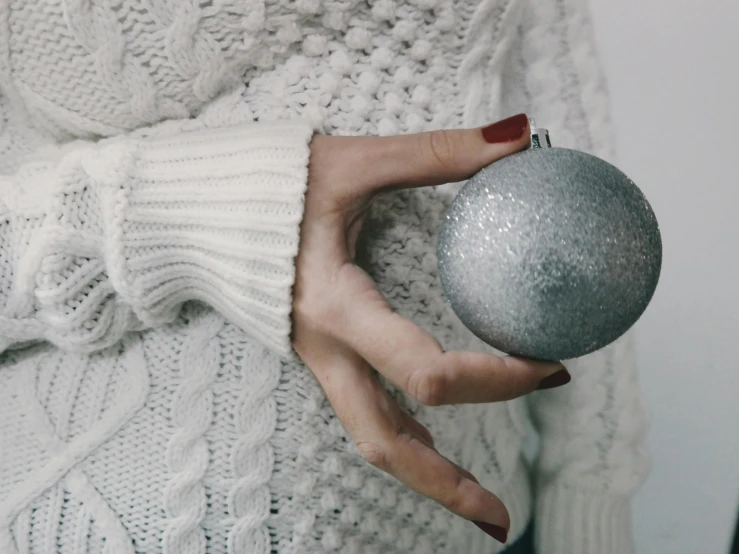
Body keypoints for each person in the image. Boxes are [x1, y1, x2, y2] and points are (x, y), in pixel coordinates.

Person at [0, 0, 650, 552]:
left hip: (464, 517)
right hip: (102, 512)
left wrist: (589, 490)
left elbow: (573, 177)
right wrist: (197, 209)